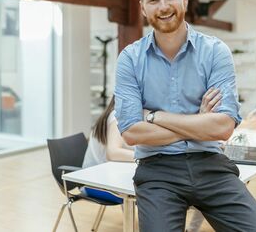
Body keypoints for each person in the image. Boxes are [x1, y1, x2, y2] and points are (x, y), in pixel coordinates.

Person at [114, 0, 256, 232]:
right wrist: (199, 123)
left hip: (210, 165)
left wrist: (154, 116)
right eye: (153, 0)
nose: (163, 6)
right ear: (143, 8)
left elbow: (223, 127)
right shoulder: (130, 59)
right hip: (157, 171)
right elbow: (131, 133)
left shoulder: (215, 52)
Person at [83, 93, 220, 231]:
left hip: (109, 176)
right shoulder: (117, 115)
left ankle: (189, 229)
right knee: (163, 188)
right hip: (95, 183)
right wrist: (145, 156)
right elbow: (113, 153)